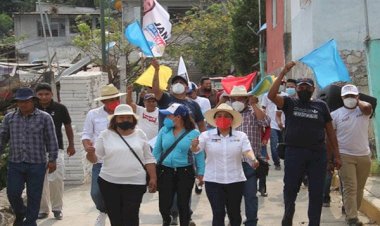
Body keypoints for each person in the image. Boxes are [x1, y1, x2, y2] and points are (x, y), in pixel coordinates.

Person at [268, 61, 341, 226]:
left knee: (316, 192)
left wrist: (336, 156)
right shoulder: (289, 102)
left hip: (317, 154)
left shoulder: (321, 106)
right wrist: (282, 74)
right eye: (301, 86)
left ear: (313, 89)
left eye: (307, 87)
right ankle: (288, 217)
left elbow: (330, 133)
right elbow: (271, 96)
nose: (304, 89)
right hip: (294, 153)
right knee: (290, 189)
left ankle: (314, 222)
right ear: (297, 89)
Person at [86, 104, 157, 226]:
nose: (125, 120)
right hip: (109, 183)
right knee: (116, 218)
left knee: (131, 216)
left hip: (135, 183)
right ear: (115, 120)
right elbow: (94, 159)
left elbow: (148, 158)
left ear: (133, 119)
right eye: (121, 117)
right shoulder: (105, 135)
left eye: (128, 117)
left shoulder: (140, 134)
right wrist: (90, 153)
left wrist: (153, 178)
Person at [0, 87, 58, 226]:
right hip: (16, 162)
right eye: (19, 102)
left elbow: (51, 139)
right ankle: (21, 213)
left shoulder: (44, 118)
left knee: (34, 195)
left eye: (25, 101)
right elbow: (2, 138)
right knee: (12, 192)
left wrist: (52, 159)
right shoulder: (10, 118)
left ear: (33, 101)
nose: (22, 104)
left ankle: (30, 222)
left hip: (37, 163)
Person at [197, 103, 258, 226]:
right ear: (214, 119)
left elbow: (247, 150)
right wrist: (194, 146)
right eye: (219, 116)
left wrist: (253, 159)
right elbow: (197, 149)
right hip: (213, 181)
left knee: (234, 213)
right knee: (218, 213)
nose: (222, 118)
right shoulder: (206, 135)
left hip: (235, 180)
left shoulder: (240, 136)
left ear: (232, 120)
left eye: (226, 116)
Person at [152, 103, 205, 226]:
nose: (166, 119)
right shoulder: (164, 131)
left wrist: (201, 173)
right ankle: (167, 220)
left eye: (169, 116)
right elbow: (156, 151)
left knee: (183, 204)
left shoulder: (193, 133)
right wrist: (153, 172)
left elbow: (199, 154)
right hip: (165, 171)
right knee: (164, 204)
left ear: (179, 117)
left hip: (185, 172)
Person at [82, 84, 126, 226]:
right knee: (96, 193)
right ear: (103, 101)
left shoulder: (125, 113)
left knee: (119, 194)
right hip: (100, 162)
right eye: (110, 99)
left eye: (115, 98)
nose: (113, 101)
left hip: (120, 161)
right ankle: (103, 211)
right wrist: (87, 145)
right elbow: (86, 134)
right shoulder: (93, 114)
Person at [226, 86, 270, 226]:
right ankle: (234, 221)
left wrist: (254, 104)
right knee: (232, 196)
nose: (237, 101)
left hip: (250, 162)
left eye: (240, 98)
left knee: (250, 195)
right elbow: (211, 125)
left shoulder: (253, 112)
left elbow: (266, 122)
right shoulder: (228, 113)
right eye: (234, 99)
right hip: (231, 162)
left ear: (246, 99)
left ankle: (251, 221)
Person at [330, 84, 372, 226]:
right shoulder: (336, 115)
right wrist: (333, 158)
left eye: (352, 95)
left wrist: (357, 101)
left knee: (359, 188)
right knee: (350, 187)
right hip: (345, 155)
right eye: (346, 96)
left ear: (358, 96)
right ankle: (352, 218)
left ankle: (350, 210)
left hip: (364, 156)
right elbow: (330, 138)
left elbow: (367, 108)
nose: (349, 98)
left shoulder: (364, 110)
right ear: (341, 98)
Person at [35, 83, 76, 220]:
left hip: (56, 148)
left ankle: (57, 208)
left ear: (52, 94)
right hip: (36, 151)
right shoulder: (32, 108)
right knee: (39, 181)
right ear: (36, 95)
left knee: (56, 179)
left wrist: (71, 144)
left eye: (46, 94)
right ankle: (43, 209)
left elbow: (68, 126)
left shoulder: (60, 108)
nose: (44, 97)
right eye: (40, 94)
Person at [151, 60, 206, 132]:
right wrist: (156, 70)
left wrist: (202, 140)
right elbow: (155, 89)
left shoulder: (194, 104)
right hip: (167, 141)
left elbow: (201, 124)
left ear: (186, 88)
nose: (178, 84)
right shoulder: (165, 98)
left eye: (181, 82)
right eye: (175, 82)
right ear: (172, 87)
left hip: (187, 141)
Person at [262, 83, 286, 170]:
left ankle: (287, 162)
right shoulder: (266, 96)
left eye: (282, 84)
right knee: (274, 145)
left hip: (284, 125)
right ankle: (277, 163)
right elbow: (263, 108)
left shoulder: (285, 96)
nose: (280, 85)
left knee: (285, 144)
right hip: (272, 124)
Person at [258, 125, 271, 197]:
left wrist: (265, 138)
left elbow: (268, 127)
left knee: (263, 168)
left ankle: (262, 189)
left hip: (261, 144)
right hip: (246, 145)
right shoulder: (241, 114)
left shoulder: (261, 114)